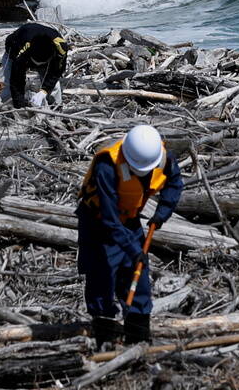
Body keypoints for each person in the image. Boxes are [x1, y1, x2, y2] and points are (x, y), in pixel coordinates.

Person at [75, 124, 184, 348]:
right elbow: (109, 219)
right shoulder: (108, 165)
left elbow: (174, 183)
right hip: (99, 223)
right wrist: (135, 250)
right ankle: (104, 338)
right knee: (102, 276)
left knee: (138, 277)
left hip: (130, 219)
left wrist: (161, 213)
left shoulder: (161, 158)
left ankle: (138, 336)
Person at [0, 22, 69, 109]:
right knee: (9, 85)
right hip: (15, 47)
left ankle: (57, 109)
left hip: (39, 52)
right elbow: (16, 81)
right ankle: (7, 110)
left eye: (41, 65)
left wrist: (43, 91)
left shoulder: (61, 48)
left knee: (54, 87)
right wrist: (20, 107)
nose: (37, 67)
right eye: (36, 64)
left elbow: (56, 72)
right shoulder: (21, 52)